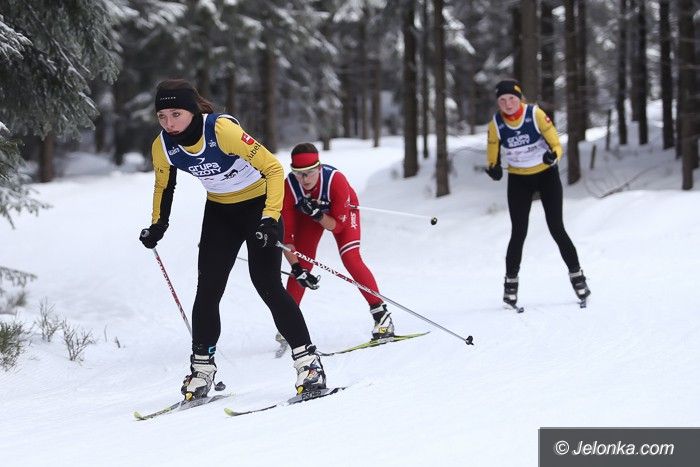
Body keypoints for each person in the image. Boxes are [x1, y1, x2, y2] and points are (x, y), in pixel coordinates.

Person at [138, 79, 326, 399]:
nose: (169, 123)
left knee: (266, 283)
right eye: (162, 116)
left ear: (193, 111)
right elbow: (163, 185)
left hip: (258, 206)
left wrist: (270, 217)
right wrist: (158, 224)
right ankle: (202, 370)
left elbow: (273, 169)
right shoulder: (164, 146)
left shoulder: (221, 131)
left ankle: (308, 363)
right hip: (220, 212)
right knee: (208, 288)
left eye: (176, 114)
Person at [484, 79, 591, 307]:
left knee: (556, 228)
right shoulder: (496, 124)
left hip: (545, 176)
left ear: (519, 98)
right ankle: (510, 284)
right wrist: (494, 169)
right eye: (502, 100)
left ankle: (577, 276)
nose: (508, 104)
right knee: (518, 233)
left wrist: (553, 156)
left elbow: (557, 145)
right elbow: (492, 155)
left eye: (511, 99)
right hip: (518, 180)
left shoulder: (535, 114)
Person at [278, 143, 396, 342]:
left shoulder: (335, 181)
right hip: (311, 215)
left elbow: (338, 227)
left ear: (319, 168)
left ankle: (381, 316)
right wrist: (296, 268)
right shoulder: (288, 187)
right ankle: (288, 324)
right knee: (302, 265)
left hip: (341, 215)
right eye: (298, 173)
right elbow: (287, 239)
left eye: (309, 172)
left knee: (350, 257)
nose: (304, 179)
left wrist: (318, 215)